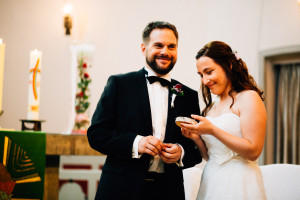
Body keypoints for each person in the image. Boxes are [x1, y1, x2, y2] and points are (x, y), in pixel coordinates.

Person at [87, 21, 202, 200]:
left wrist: (181, 152)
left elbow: (197, 149)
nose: (165, 51)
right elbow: (96, 135)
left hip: (168, 191)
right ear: (143, 48)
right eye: (158, 45)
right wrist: (136, 143)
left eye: (171, 46)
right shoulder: (119, 84)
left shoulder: (188, 95)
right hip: (120, 190)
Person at [180, 41, 267, 199]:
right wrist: (195, 137)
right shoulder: (212, 107)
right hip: (211, 180)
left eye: (209, 72)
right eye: (201, 75)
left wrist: (212, 130)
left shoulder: (248, 97)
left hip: (241, 181)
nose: (205, 81)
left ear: (229, 65)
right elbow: (210, 156)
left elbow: (254, 151)